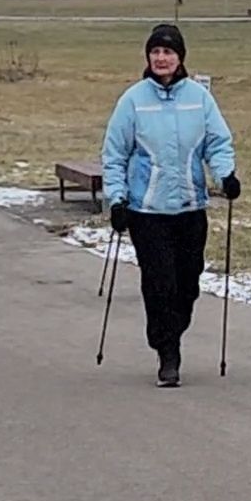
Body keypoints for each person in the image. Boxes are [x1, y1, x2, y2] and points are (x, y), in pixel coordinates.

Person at [101, 23, 240, 388]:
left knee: (188, 282)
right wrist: (116, 199)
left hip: (190, 207)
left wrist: (225, 176)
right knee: (160, 281)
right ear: (148, 57)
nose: (161, 58)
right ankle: (168, 351)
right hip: (147, 211)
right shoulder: (132, 100)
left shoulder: (199, 98)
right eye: (156, 52)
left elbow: (218, 143)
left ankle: (170, 331)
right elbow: (114, 155)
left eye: (168, 52)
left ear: (180, 58)